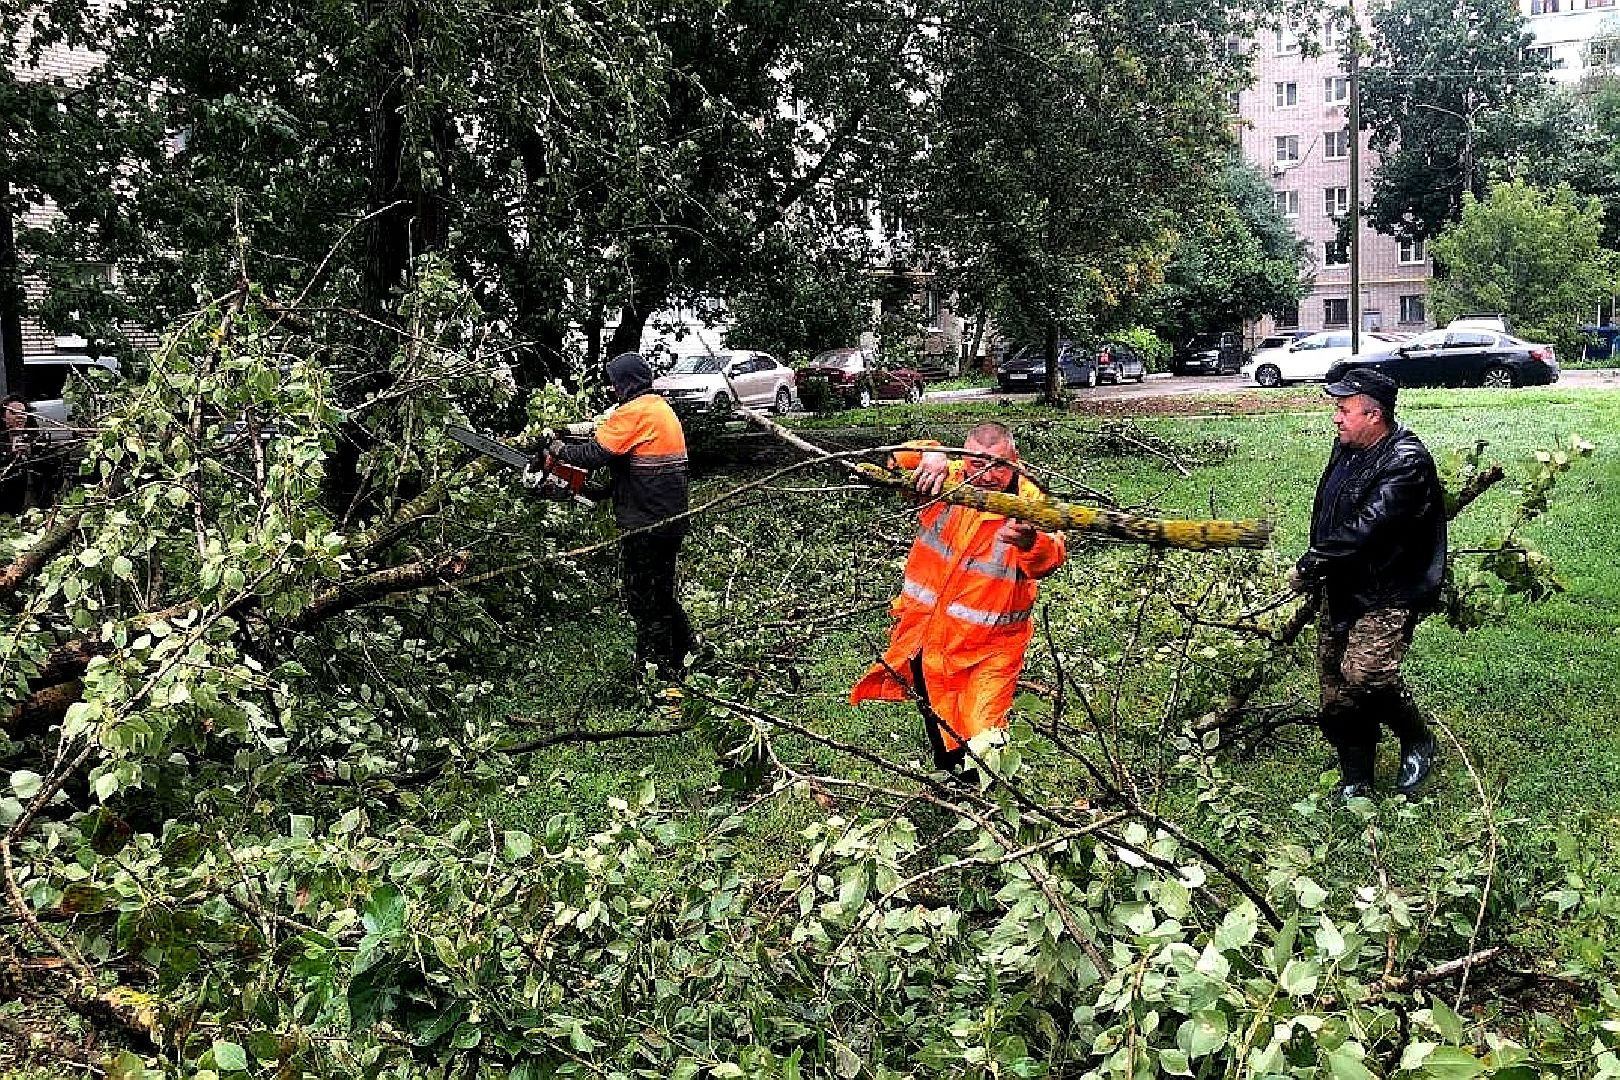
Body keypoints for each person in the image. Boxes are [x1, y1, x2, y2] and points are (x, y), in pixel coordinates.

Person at [851, 422, 1067, 773]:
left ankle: (993, 803)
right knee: (939, 720)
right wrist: (931, 453)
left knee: (984, 735)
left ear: (1015, 460)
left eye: (996, 465)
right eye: (974, 464)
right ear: (963, 458)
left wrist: (1031, 542)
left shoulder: (1032, 505)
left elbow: (1052, 556)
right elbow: (890, 460)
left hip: (990, 649)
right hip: (926, 635)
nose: (983, 476)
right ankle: (955, 787)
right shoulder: (948, 477)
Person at [1289, 368, 1446, 800]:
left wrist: (1312, 562)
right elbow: (1330, 510)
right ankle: (1356, 776)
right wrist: (1324, 564)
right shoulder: (1347, 447)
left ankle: (1417, 738)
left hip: (1387, 589)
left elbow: (1369, 525)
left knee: (1366, 674)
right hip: (1342, 585)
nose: (1336, 418)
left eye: (1344, 410)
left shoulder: (1406, 460)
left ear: (1374, 415)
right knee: (1334, 687)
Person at [538, 352, 694, 680]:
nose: (611, 390)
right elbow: (625, 461)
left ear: (624, 383)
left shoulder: (635, 412)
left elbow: (595, 454)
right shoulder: (658, 408)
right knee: (661, 592)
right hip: (669, 520)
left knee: (643, 598)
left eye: (613, 383)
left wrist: (557, 450)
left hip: (647, 524)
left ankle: (656, 670)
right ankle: (689, 654)